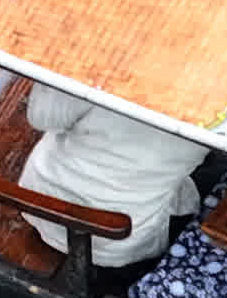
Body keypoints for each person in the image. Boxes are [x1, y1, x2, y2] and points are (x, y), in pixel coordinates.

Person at [15, 86, 205, 270]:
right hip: (124, 244)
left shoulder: (106, 70)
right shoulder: (225, 112)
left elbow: (40, 118)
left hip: (42, 206)